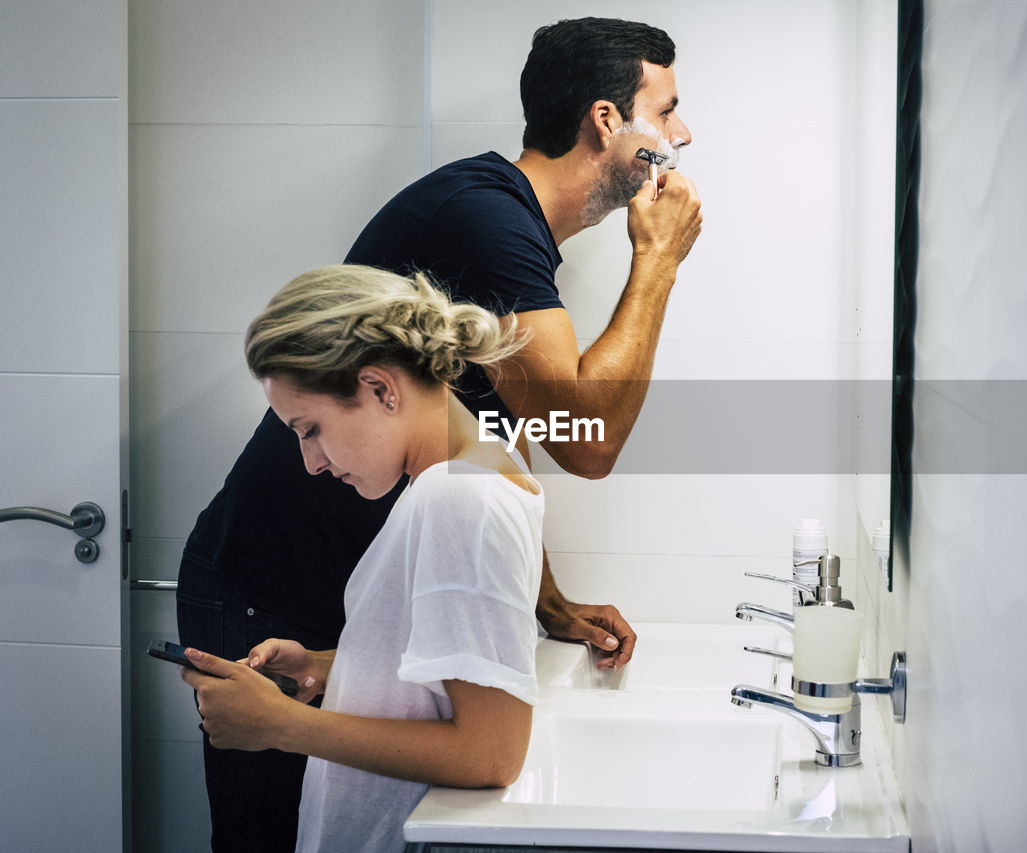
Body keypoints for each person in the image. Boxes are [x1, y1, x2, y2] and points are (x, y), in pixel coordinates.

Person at [178, 16, 701, 851]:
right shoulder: (488, 221)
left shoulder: (501, 228)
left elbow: (506, 433)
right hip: (272, 571)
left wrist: (545, 599)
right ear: (607, 121)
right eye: (667, 109)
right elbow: (587, 437)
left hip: (348, 578)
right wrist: (659, 263)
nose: (680, 134)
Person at [183, 264, 543, 853]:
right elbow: (451, 668)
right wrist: (332, 665)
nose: (312, 462)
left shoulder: (457, 498)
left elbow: (491, 753)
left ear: (380, 388)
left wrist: (280, 725)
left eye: (311, 429)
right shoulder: (482, 465)